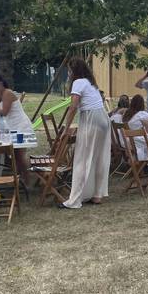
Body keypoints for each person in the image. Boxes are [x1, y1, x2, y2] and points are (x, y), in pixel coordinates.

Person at [59, 57, 112, 209]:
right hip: (103, 118)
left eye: (69, 70)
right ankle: (97, 195)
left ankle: (74, 200)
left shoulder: (78, 82)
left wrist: (66, 127)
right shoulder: (91, 83)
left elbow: (73, 107)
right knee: (99, 157)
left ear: (73, 70)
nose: (68, 73)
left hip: (92, 118)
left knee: (83, 158)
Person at [0, 75, 35, 181]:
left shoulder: (7, 93)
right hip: (13, 126)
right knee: (16, 156)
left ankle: (26, 180)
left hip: (21, 126)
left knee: (19, 156)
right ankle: (20, 179)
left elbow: (4, 112)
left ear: (0, 83)